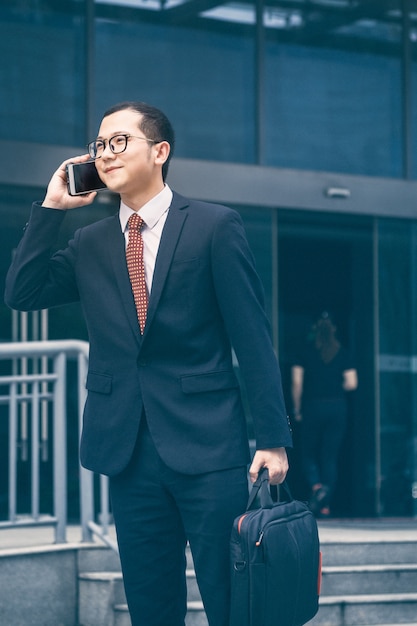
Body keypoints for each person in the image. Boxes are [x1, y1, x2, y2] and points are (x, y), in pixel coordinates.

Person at [4, 101, 292, 626]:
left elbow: (253, 340)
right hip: (128, 451)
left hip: (209, 449)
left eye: (120, 142)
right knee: (151, 607)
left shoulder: (213, 226)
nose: (105, 154)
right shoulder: (90, 242)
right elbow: (22, 293)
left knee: (233, 602)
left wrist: (272, 438)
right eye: (99, 145)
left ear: (159, 152)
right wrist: (50, 209)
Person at [291, 311, 357, 517]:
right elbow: (352, 383)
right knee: (329, 456)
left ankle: (316, 487)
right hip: (337, 407)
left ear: (314, 330)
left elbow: (296, 383)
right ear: (334, 329)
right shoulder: (344, 353)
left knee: (308, 452)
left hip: (312, 406)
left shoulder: (304, 352)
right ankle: (326, 503)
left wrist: (297, 408)